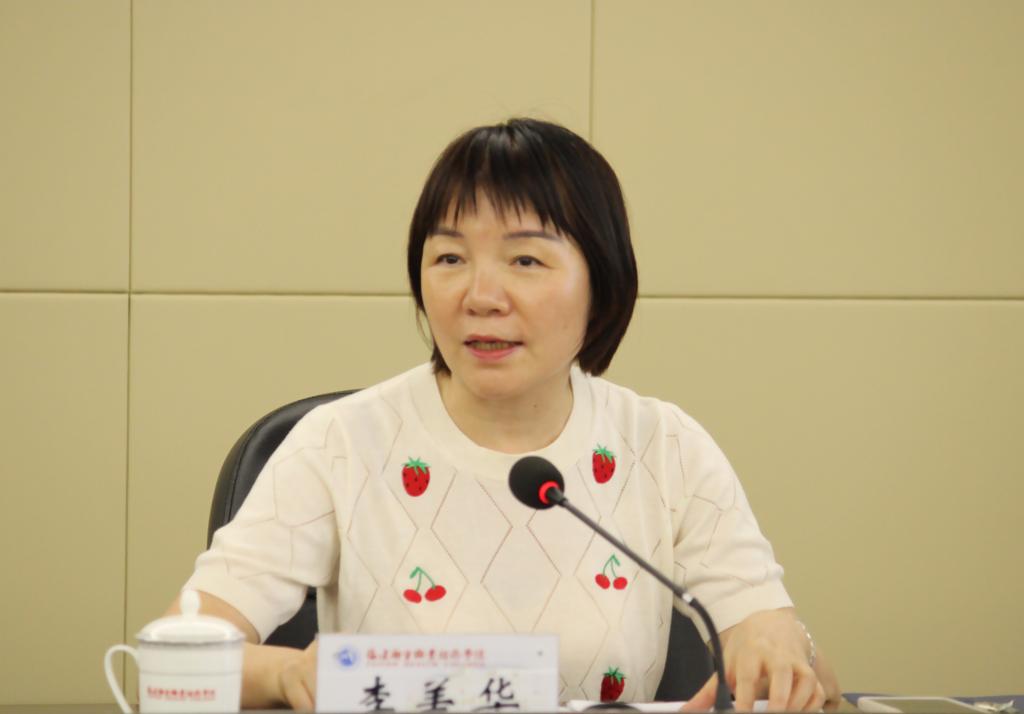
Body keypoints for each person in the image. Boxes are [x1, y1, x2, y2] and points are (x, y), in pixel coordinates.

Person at [167, 118, 841, 711]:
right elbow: (171, 666)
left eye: (524, 259)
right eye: (449, 258)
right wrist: (289, 675)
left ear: (602, 281)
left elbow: (783, 645)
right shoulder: (341, 444)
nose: (481, 295)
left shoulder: (663, 447)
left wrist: (782, 650)